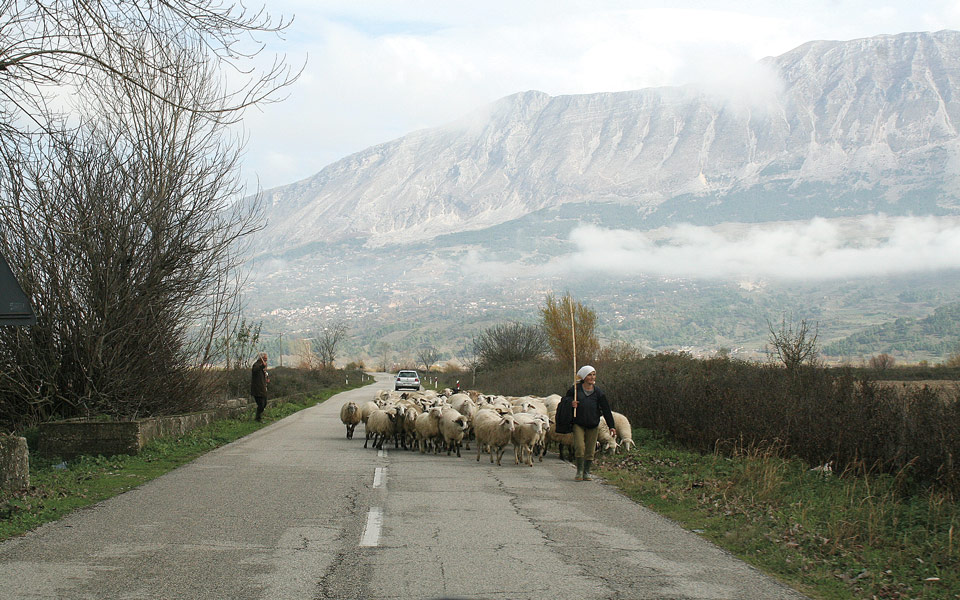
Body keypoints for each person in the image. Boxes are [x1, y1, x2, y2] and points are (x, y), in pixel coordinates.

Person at [561, 365, 615, 481]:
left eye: (594, 374)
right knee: (580, 447)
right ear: (584, 377)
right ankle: (579, 471)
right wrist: (571, 403)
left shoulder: (598, 392)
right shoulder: (575, 390)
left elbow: (606, 409)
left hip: (593, 423)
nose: (592, 377)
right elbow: (564, 401)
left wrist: (612, 426)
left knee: (590, 449)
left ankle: (586, 472)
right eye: (590, 375)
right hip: (578, 423)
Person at [250, 352, 269, 422]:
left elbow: (264, 375)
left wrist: (266, 379)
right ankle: (258, 418)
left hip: (263, 388)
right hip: (257, 389)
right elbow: (255, 370)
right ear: (261, 359)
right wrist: (262, 366)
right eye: (265, 359)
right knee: (261, 405)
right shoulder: (256, 365)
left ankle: (258, 417)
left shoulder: (263, 367)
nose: (266, 360)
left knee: (264, 404)